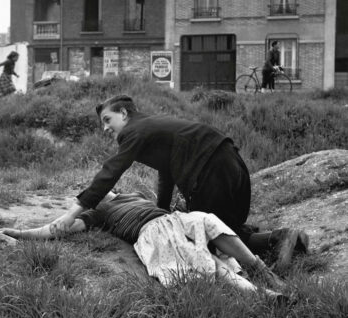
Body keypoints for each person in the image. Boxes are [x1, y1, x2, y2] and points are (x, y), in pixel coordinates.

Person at [48, 94, 309, 269]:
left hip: (210, 170)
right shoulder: (151, 126)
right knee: (221, 228)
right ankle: (279, 241)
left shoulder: (133, 131)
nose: (105, 128)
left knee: (206, 235)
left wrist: (74, 213)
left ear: (124, 114)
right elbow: (167, 171)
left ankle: (278, 239)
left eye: (107, 120)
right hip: (230, 161)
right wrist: (161, 209)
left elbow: (110, 172)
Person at [0, 191, 287, 298]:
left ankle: (261, 269)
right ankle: (263, 296)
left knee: (209, 221)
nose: (101, 192)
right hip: (152, 233)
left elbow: (163, 197)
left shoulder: (132, 194)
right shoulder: (96, 213)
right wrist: (18, 233)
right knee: (203, 261)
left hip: (176, 219)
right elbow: (55, 229)